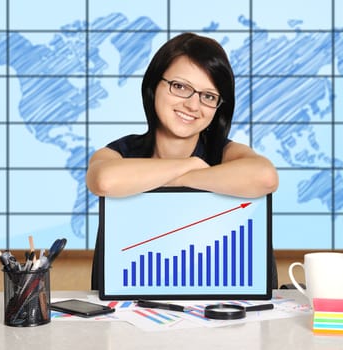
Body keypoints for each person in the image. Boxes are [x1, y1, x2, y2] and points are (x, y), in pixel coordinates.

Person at [86, 32, 279, 290]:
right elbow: (104, 181)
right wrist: (189, 164)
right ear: (154, 86)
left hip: (218, 305)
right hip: (131, 309)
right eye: (180, 87)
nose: (192, 105)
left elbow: (265, 176)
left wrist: (177, 178)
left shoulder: (224, 153)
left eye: (208, 96)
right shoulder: (121, 152)